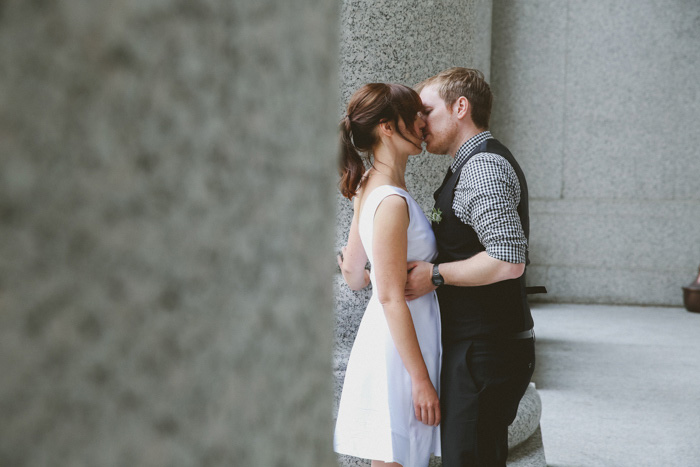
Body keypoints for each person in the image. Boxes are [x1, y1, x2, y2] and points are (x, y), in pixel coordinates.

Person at [405, 67, 536, 467]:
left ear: (460, 107)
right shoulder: (468, 163)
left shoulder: (481, 166)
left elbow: (508, 259)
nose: (420, 122)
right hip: (481, 347)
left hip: (486, 350)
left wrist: (436, 275)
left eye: (427, 110)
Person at [334, 83, 442, 467]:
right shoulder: (391, 200)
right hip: (400, 352)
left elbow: (352, 273)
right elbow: (390, 296)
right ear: (386, 127)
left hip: (391, 341)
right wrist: (421, 380)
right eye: (413, 114)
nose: (423, 122)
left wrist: (378, 269)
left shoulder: (368, 186)